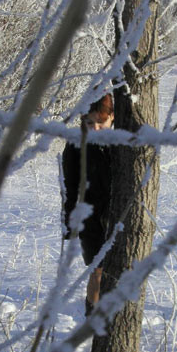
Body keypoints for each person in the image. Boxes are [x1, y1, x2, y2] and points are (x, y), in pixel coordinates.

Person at [62, 94, 114, 315]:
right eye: (89, 123)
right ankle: (92, 315)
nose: (95, 129)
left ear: (112, 118)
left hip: (116, 213)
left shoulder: (121, 143)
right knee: (97, 270)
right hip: (89, 217)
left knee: (120, 269)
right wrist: (71, 220)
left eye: (101, 123)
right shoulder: (75, 146)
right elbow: (70, 186)